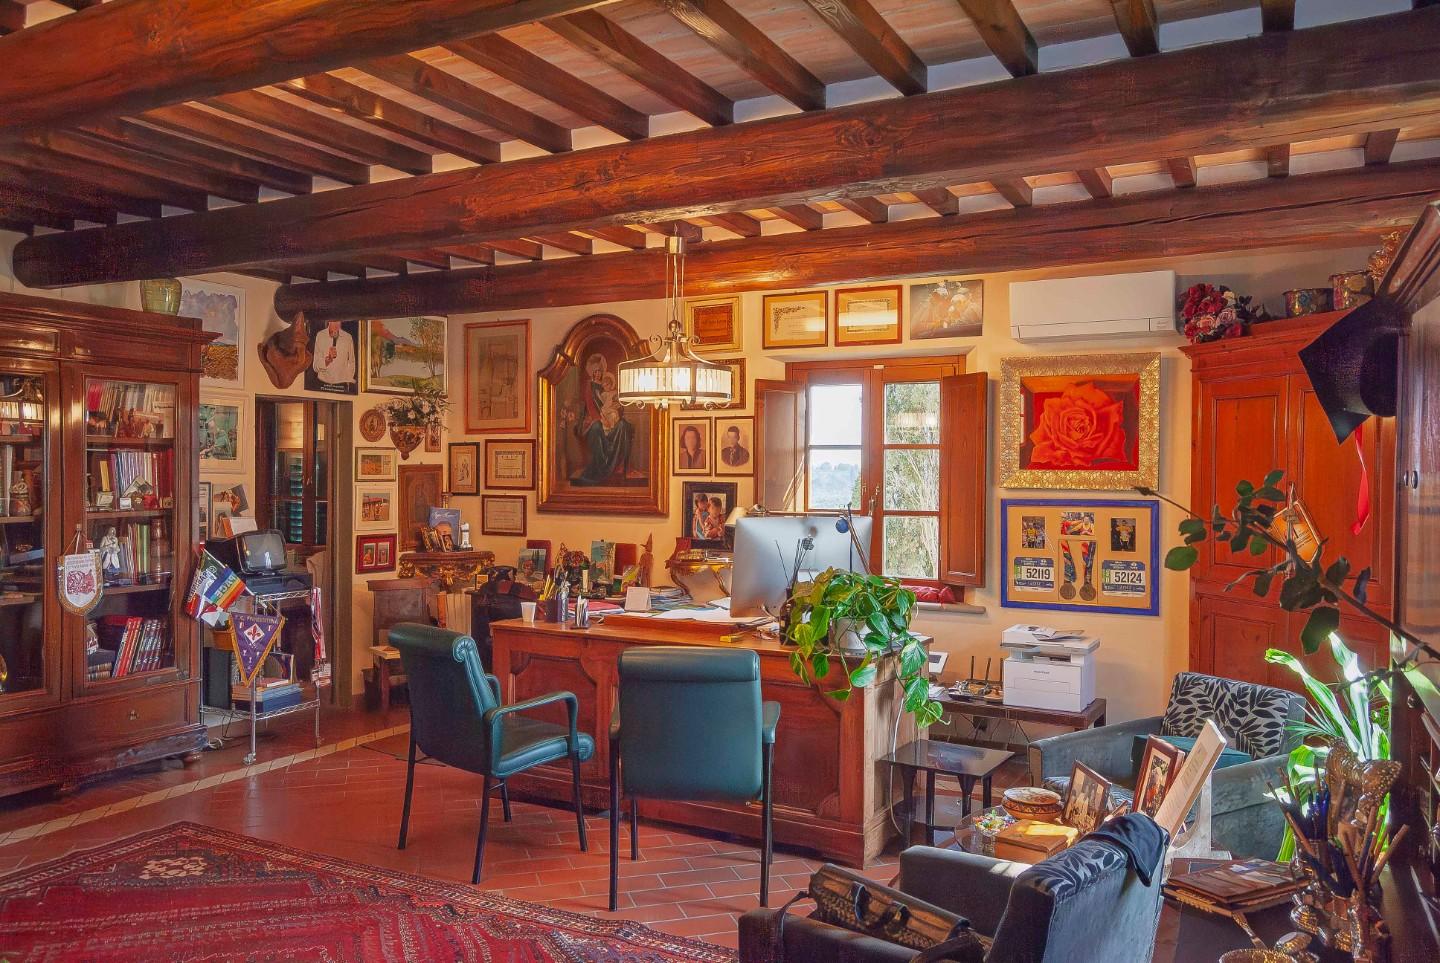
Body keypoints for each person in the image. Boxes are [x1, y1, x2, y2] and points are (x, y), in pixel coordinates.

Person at [311, 320, 356, 388]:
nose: (336, 324)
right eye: (333, 321)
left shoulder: (347, 337)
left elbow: (352, 361)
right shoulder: (320, 335)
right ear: (328, 321)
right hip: (322, 383)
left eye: (338, 321)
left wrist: (349, 378)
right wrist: (327, 361)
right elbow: (315, 366)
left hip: (342, 383)